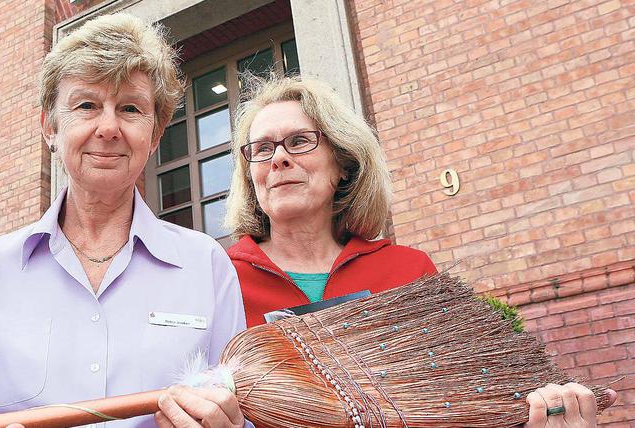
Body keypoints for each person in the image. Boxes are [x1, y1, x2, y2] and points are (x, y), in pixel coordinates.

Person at [224, 74, 616, 427]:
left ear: (342, 163)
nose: (278, 158)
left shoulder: (408, 270)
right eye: (261, 149)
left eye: (299, 141)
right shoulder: (219, 275)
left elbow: (468, 402)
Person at [0, 13, 247, 428]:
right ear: (50, 127)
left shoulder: (207, 266)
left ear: (155, 135)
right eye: (86, 106)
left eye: (130, 108)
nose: (108, 127)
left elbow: (238, 409)